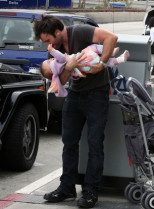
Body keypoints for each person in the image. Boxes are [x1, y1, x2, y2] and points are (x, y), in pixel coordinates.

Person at [34, 14, 118, 208]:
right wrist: (68, 68)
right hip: (75, 95)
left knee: (94, 143)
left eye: (48, 40)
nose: (48, 45)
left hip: (97, 94)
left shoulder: (80, 32)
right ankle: (67, 188)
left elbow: (111, 38)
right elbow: (61, 81)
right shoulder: (54, 50)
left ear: (57, 32)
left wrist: (101, 64)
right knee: (68, 142)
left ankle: (90, 191)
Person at [40, 43, 129, 97]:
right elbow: (62, 57)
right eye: (48, 61)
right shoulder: (57, 64)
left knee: (105, 62)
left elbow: (74, 75)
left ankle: (120, 59)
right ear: (51, 71)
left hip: (85, 67)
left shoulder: (58, 73)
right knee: (93, 47)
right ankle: (110, 51)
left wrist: (79, 73)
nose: (50, 59)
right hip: (85, 58)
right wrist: (52, 51)